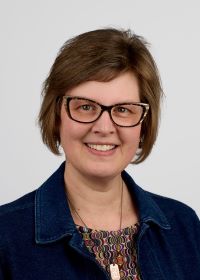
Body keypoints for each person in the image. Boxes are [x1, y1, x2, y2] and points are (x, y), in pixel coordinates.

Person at [0, 28, 200, 280]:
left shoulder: (184, 225)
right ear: (57, 116)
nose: (104, 128)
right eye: (85, 107)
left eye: (124, 109)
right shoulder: (5, 236)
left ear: (143, 124)